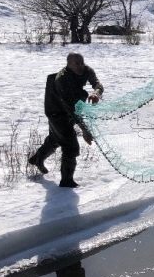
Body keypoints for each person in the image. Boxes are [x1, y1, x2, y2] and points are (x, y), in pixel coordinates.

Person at [28, 53, 104, 188]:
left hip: (70, 107)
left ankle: (37, 159)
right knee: (70, 146)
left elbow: (97, 84)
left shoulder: (86, 70)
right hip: (56, 110)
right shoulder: (61, 79)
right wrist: (85, 130)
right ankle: (66, 182)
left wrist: (96, 93)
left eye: (82, 62)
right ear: (68, 64)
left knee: (56, 138)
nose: (80, 66)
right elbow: (71, 109)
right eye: (76, 64)